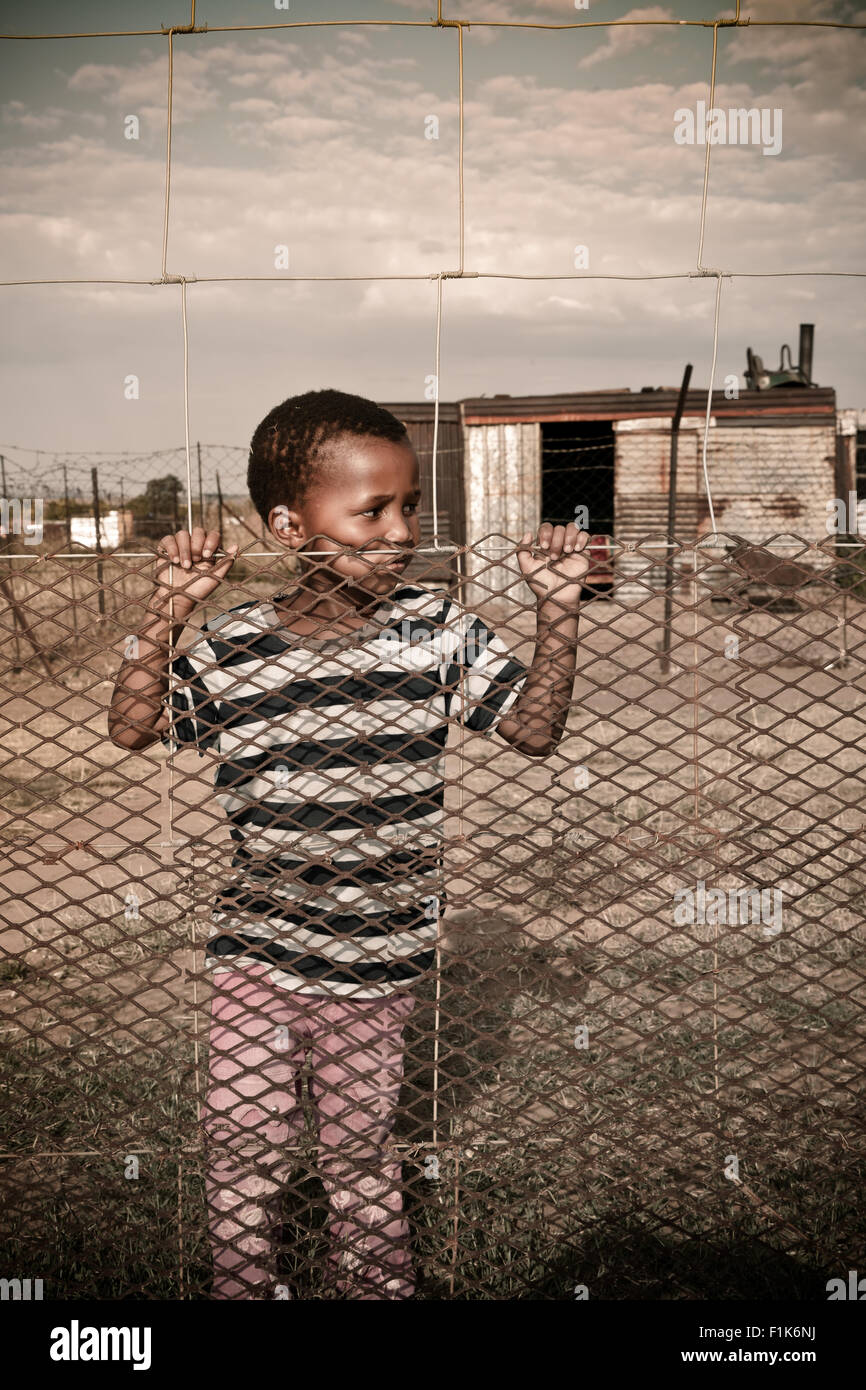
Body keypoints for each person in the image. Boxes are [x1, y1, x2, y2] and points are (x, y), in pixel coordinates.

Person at [108, 387, 589, 1299]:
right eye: (371, 511)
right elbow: (134, 727)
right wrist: (164, 614)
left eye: (408, 506)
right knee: (241, 1134)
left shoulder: (438, 632)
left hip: (382, 955)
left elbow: (532, 730)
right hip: (258, 938)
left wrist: (558, 611)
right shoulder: (233, 649)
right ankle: (241, 1284)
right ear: (291, 527)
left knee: (359, 1146)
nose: (399, 530)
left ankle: (376, 1283)